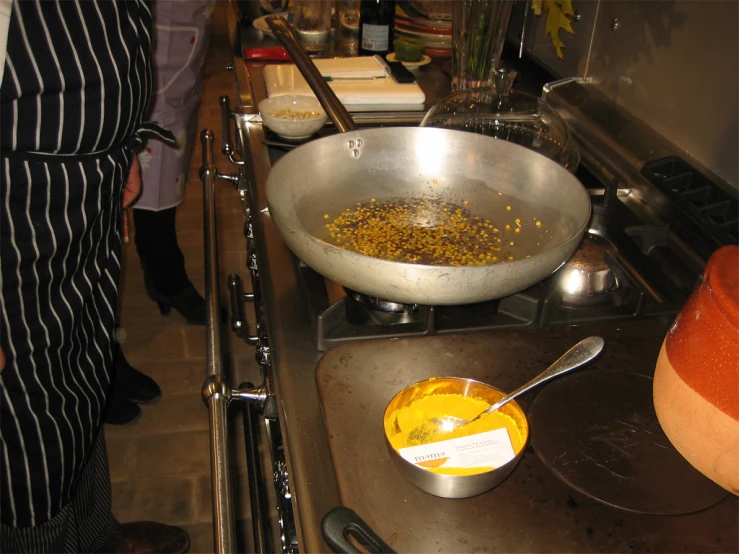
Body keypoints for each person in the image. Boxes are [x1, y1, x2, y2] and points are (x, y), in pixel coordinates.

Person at [0, 2, 189, 551]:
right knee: (26, 433)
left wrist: (121, 143)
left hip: (86, 187)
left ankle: (94, 536)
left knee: (81, 379)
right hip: (17, 216)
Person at [133, 0, 215, 326]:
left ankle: (160, 268)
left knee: (169, 159)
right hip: (157, 28)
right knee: (152, 158)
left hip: (186, 34)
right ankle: (165, 275)